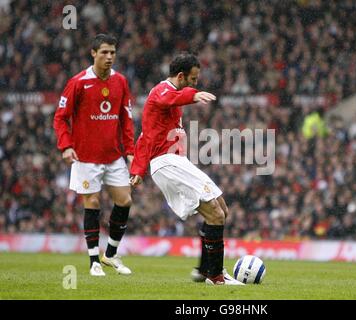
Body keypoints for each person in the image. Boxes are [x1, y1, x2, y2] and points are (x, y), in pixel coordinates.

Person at [130, 52, 243, 285]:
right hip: (167, 162)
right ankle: (216, 276)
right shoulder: (160, 92)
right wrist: (193, 95)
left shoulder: (169, 100)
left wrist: (137, 171)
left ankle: (205, 269)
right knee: (215, 213)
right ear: (181, 76)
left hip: (177, 161)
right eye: (193, 79)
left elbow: (144, 137)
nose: (196, 83)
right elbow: (170, 98)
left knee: (222, 209)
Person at [53, 34, 134, 276]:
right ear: (93, 53)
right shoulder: (78, 82)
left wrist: (130, 151)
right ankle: (93, 262)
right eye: (104, 53)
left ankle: (109, 254)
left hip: (113, 156)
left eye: (112, 53)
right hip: (85, 157)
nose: (109, 57)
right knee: (93, 203)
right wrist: (66, 146)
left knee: (125, 201)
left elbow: (126, 120)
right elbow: (60, 117)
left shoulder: (120, 81)